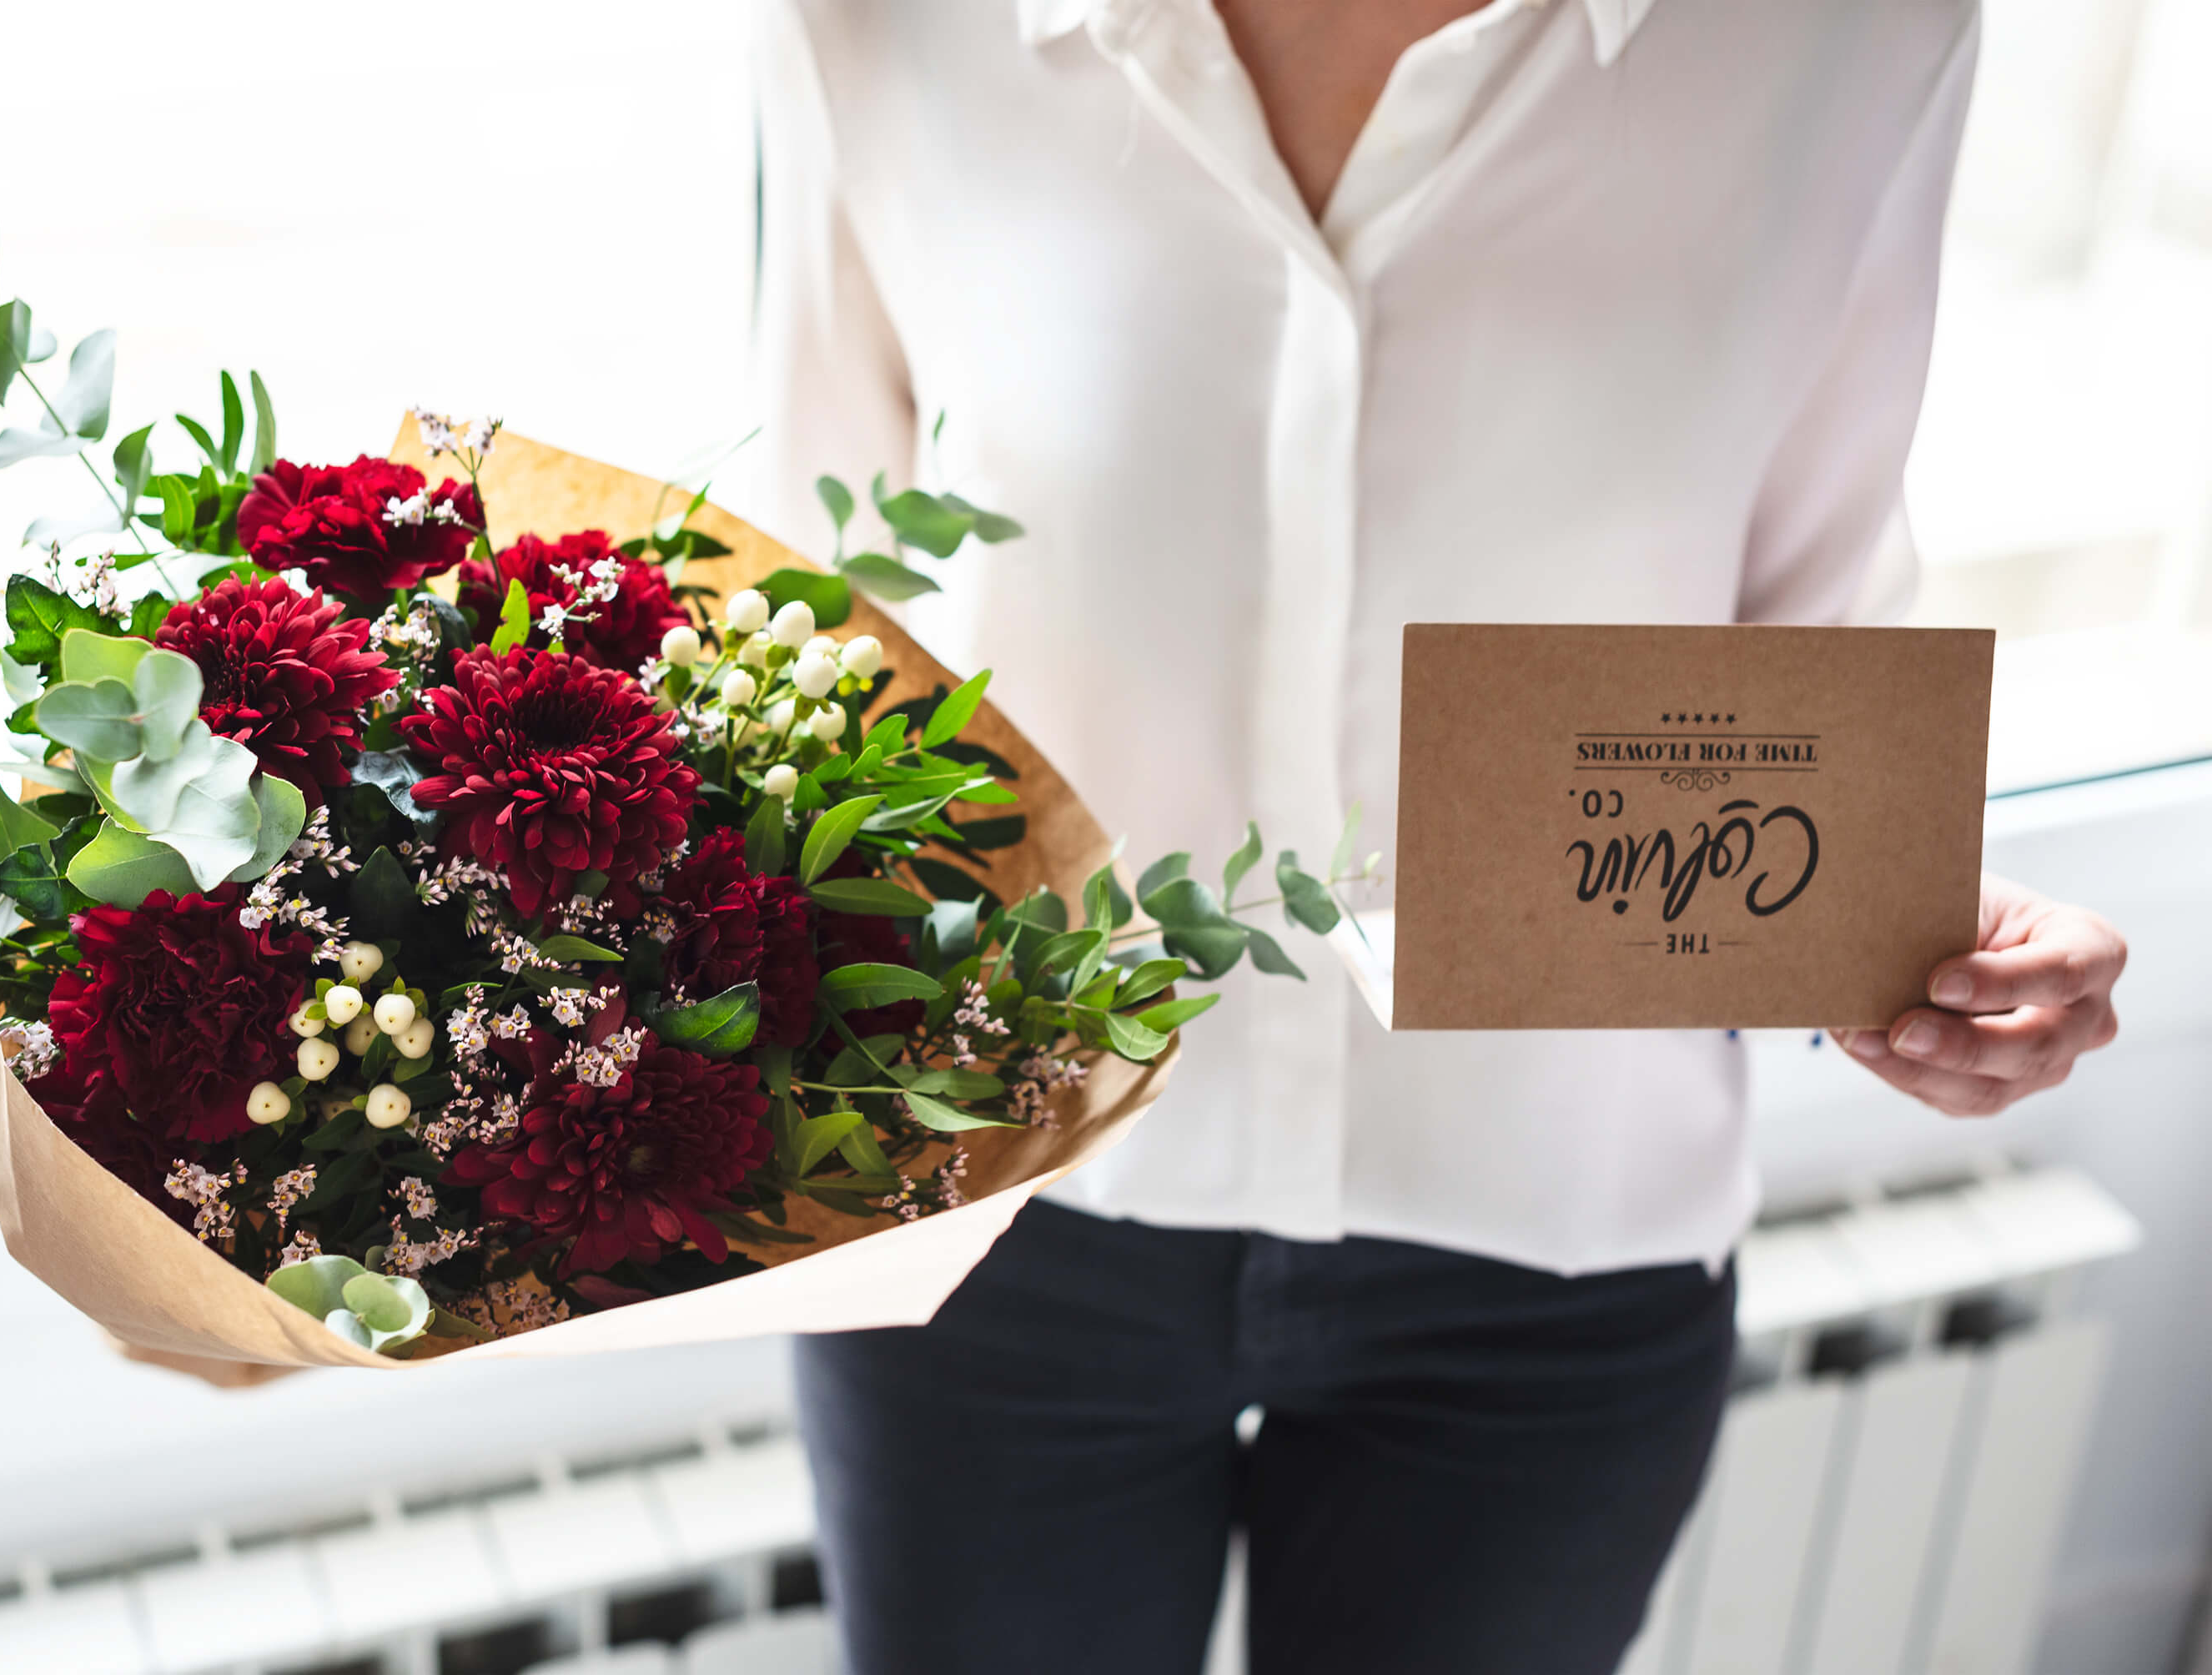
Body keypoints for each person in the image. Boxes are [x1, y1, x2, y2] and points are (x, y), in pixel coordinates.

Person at [739, 2, 2129, 1670]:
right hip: (989, 1214)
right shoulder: (883, 22)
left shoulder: (1845, 36)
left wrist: (1921, 939)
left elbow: (1808, 651)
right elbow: (812, 622)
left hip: (1555, 1241)